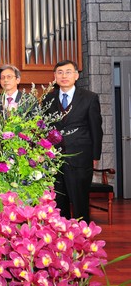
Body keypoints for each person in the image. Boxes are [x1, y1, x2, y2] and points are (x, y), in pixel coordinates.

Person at [44, 60, 103, 221]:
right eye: (60, 72)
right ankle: (61, 237)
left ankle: (82, 237)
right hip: (55, 160)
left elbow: (96, 129)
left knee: (80, 201)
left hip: (80, 157)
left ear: (76, 75)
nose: (64, 76)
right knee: (59, 202)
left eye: (68, 72)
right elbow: (44, 129)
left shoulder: (90, 98)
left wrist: (95, 156)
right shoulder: (48, 99)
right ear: (55, 76)